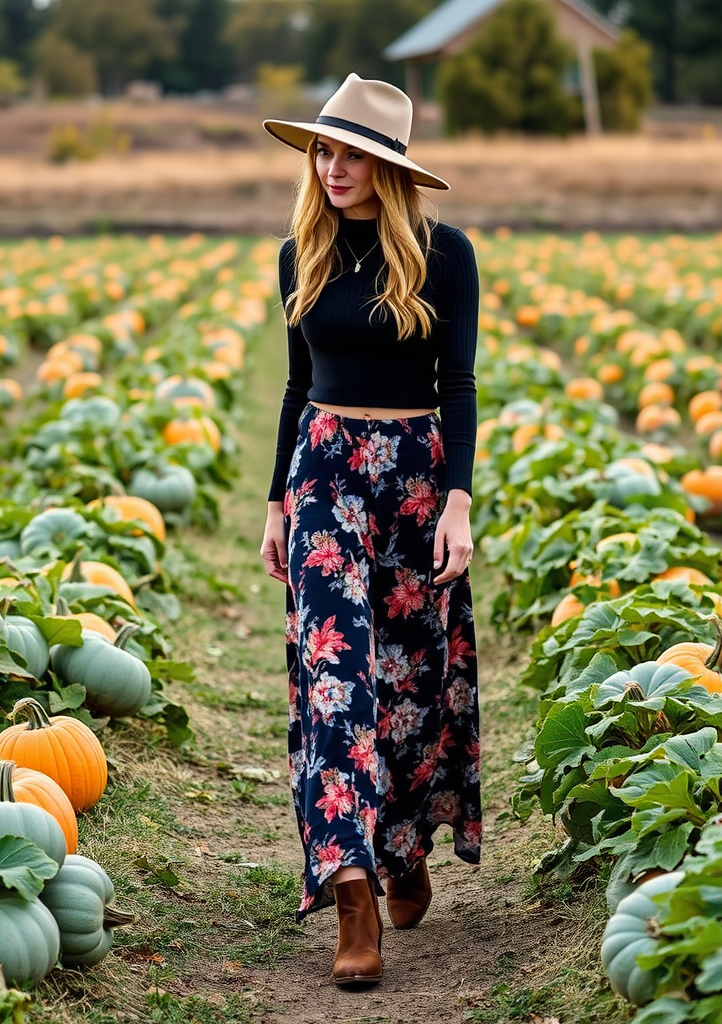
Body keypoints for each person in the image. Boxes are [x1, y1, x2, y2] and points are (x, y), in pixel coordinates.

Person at [259, 72, 480, 988]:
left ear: (390, 168)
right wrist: (276, 502)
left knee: (411, 682)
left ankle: (403, 846)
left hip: (414, 479)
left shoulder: (444, 252)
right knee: (335, 679)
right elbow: (294, 385)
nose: (333, 167)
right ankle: (350, 894)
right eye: (324, 149)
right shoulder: (298, 253)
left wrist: (461, 501)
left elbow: (458, 385)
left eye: (353, 153)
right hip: (324, 480)